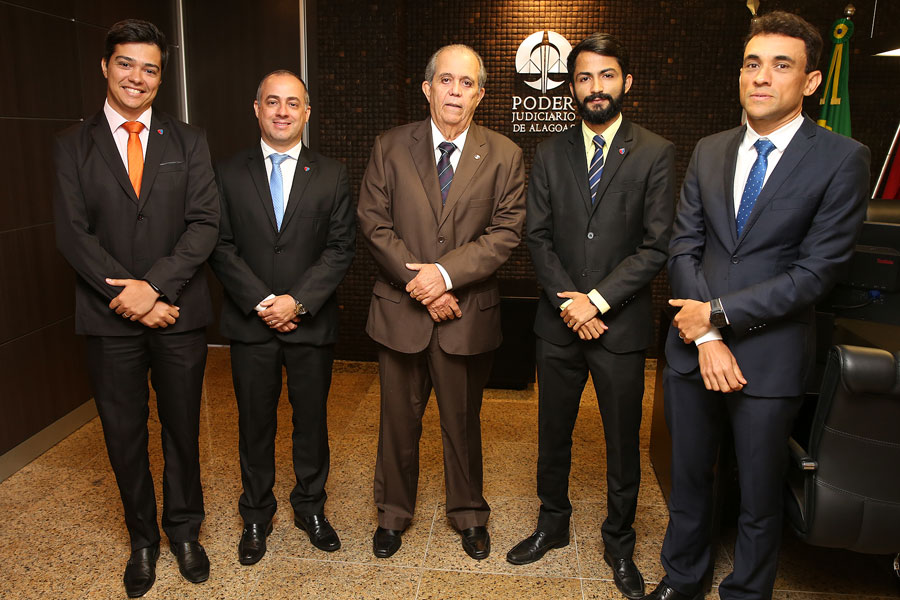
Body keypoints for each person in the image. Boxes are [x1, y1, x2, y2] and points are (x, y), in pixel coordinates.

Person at [646, 11, 870, 600]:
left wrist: (717, 315)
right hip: (693, 349)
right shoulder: (710, 149)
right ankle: (682, 579)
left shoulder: (842, 158)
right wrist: (706, 336)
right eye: (752, 63)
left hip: (769, 356)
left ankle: (747, 592)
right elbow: (684, 246)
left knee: (758, 493)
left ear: (811, 81)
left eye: (780, 65)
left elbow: (816, 272)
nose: (762, 77)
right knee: (689, 480)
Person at [52, 19, 219, 598]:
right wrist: (130, 298)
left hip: (178, 314)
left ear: (161, 77)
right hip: (108, 319)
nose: (137, 77)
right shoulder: (72, 145)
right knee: (124, 434)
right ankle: (142, 540)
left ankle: (185, 532)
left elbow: (204, 224)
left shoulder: (189, 140)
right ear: (106, 66)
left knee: (182, 428)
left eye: (150, 68)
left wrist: (156, 288)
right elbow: (73, 235)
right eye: (126, 63)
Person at [508, 33, 675, 600]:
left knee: (622, 442)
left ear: (626, 82)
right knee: (552, 433)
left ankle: (619, 542)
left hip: (619, 328)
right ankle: (551, 524)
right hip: (557, 325)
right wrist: (569, 303)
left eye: (606, 76)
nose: (595, 87)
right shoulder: (549, 152)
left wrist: (596, 302)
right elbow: (537, 236)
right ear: (571, 87)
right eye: (583, 78)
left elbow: (655, 246)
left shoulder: (654, 152)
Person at [357, 44, 525, 560]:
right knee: (397, 422)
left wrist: (446, 276)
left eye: (466, 83)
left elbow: (505, 232)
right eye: (446, 80)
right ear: (428, 88)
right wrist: (425, 285)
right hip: (401, 313)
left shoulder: (505, 154)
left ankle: (469, 514)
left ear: (480, 94)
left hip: (466, 316)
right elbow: (374, 222)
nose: (455, 91)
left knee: (463, 422)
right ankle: (392, 515)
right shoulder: (390, 146)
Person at [208, 70, 355, 565]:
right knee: (255, 424)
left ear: (307, 112)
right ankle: (256, 514)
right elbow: (220, 245)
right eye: (273, 102)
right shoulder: (227, 172)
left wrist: (297, 301)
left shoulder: (332, 174)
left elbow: (340, 248)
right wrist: (262, 301)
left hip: (310, 323)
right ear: (257, 109)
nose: (283, 111)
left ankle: (310, 508)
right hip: (251, 325)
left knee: (311, 423)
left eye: (293, 103)